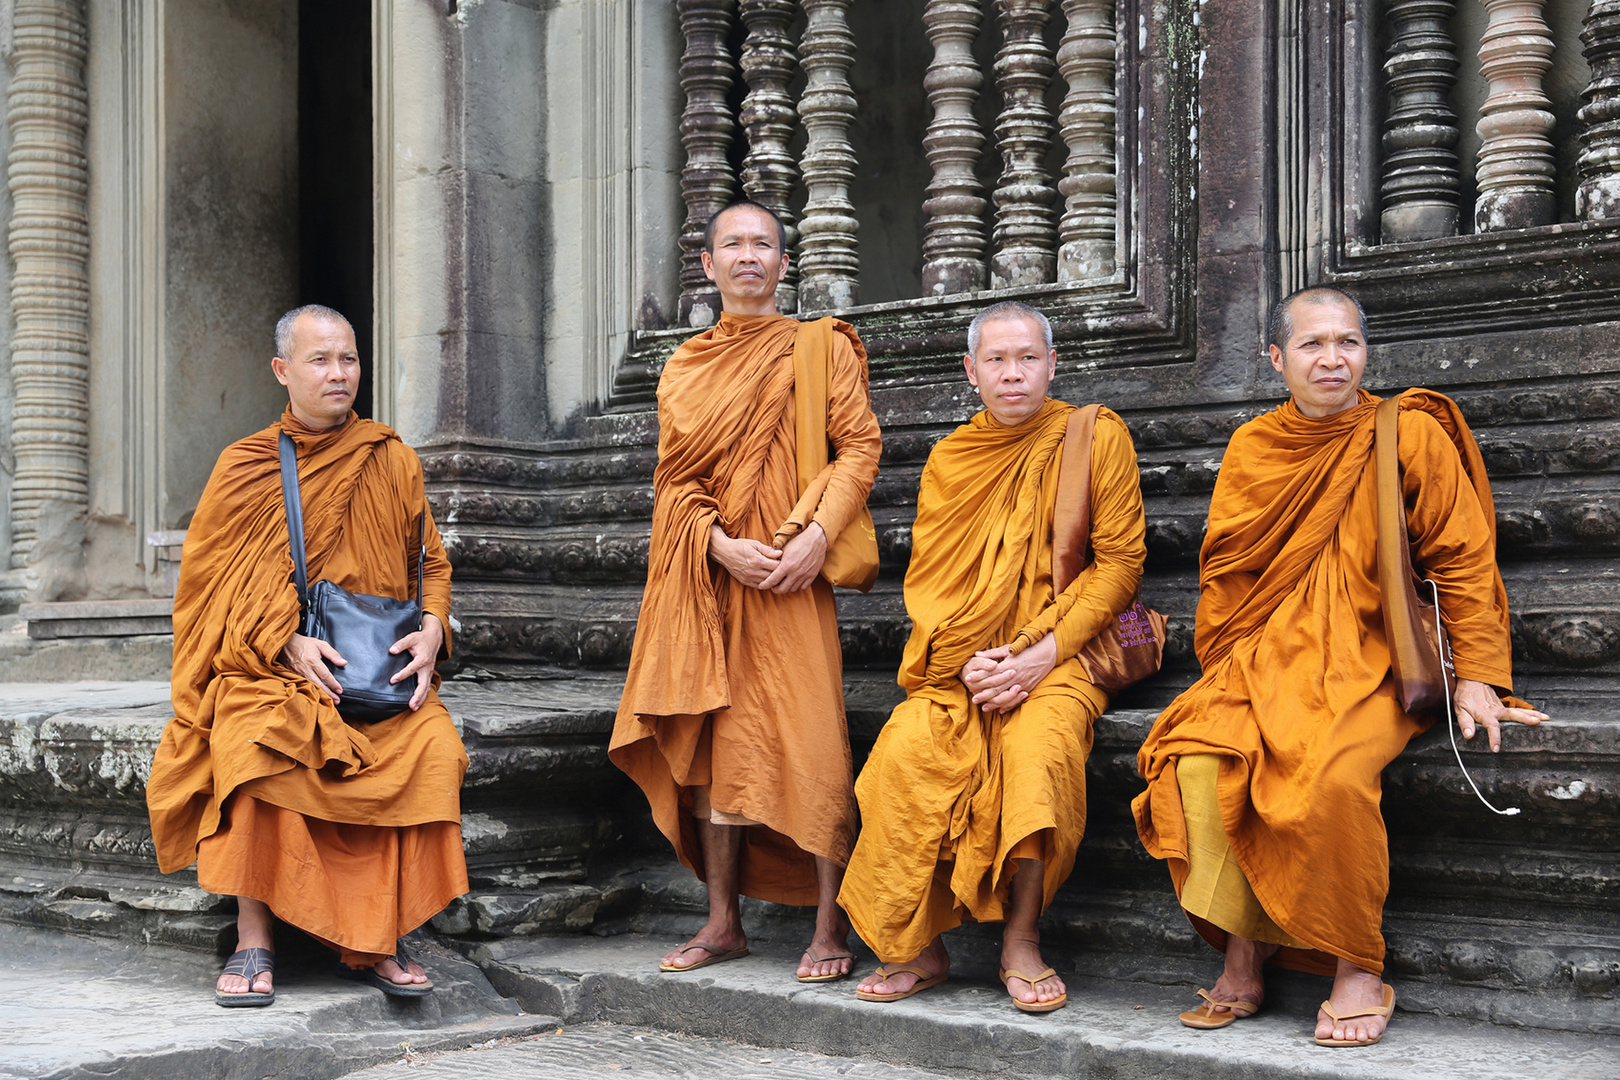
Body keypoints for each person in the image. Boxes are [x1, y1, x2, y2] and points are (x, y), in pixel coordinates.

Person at [1133, 285, 1547, 1046]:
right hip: (1262, 654)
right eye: (1312, 345)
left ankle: (1357, 963)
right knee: (1196, 760)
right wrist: (1229, 667)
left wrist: (1480, 675)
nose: (1332, 359)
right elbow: (1226, 574)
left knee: (1328, 776)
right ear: (1275, 359)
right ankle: (1245, 951)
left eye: (1347, 343)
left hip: (1372, 659)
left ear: (1366, 351)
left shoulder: (1406, 433)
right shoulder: (1255, 447)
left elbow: (1461, 558)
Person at [146, 304, 468, 1007]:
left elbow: (431, 564)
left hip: (374, 672)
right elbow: (209, 590)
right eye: (320, 360)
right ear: (282, 370)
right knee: (251, 738)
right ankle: (252, 933)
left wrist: (434, 628)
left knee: (433, 746)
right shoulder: (246, 466)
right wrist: (283, 641)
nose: (338, 373)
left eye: (348, 359)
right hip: (271, 671)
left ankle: (377, 934)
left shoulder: (391, 457)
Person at [839, 300, 1148, 1012]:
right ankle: (919, 945)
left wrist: (1040, 653)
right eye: (998, 362)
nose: (1014, 374)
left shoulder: (1093, 436)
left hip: (1064, 654)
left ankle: (1022, 939)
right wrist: (971, 662)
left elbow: (1120, 566)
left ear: (1053, 364)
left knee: (1037, 754)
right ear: (971, 372)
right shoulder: (953, 457)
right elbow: (936, 584)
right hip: (967, 664)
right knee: (903, 751)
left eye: (1028, 359)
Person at [609, 201, 882, 982]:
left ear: (785, 265)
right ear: (709, 264)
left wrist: (818, 536)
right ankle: (723, 921)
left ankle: (831, 924)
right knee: (717, 740)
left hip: (795, 575)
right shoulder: (686, 366)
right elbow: (675, 484)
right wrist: (718, 545)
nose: (749, 256)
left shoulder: (819, 347)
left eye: (764, 243)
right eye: (734, 244)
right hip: (717, 578)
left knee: (812, 738)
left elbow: (859, 447)